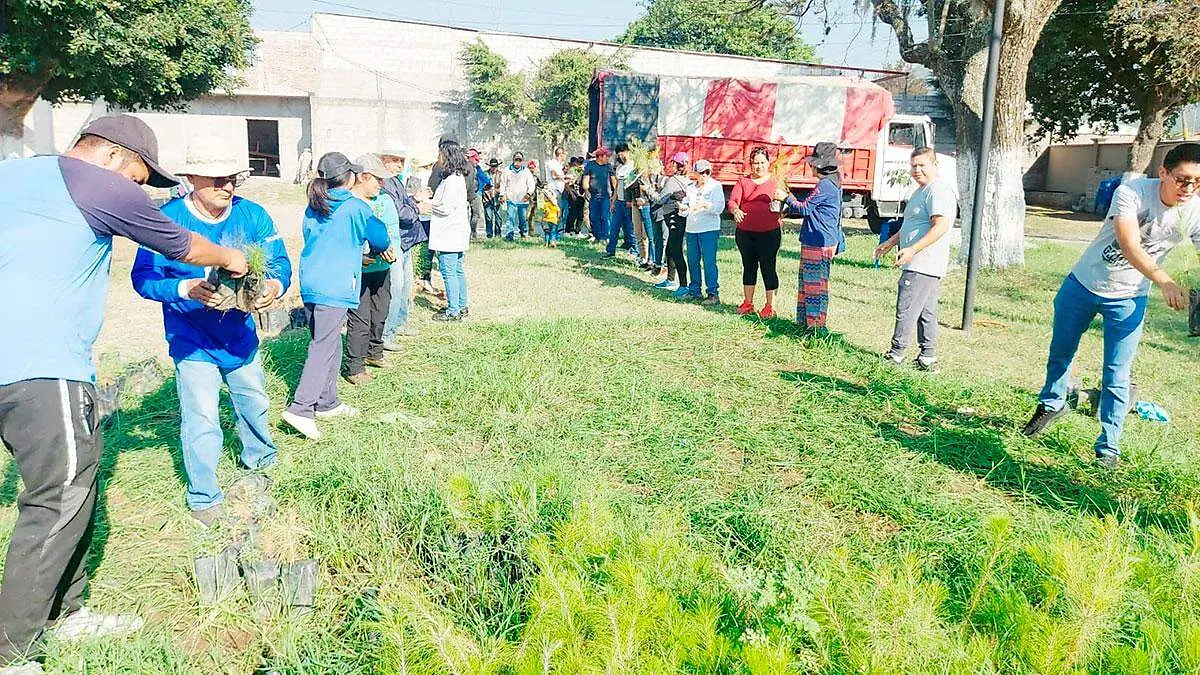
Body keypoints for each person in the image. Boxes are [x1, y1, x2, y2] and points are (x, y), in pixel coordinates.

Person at [0, 114, 248, 668]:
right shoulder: (94, 181)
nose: (136, 190)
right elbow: (179, 244)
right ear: (112, 156)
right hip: (39, 364)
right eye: (139, 177)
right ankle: (13, 649)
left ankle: (67, 613)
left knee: (72, 487)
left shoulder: (17, 176)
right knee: (56, 499)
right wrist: (233, 258)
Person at [131, 136, 291, 528]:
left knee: (253, 400)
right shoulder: (166, 220)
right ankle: (204, 494)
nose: (227, 186)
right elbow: (143, 278)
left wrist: (274, 287)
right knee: (202, 417)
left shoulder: (252, 216)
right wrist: (184, 288)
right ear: (191, 179)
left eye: (232, 178)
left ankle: (261, 464)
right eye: (216, 179)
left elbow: (280, 261)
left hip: (239, 336)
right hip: (191, 340)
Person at [1022, 142, 1200, 469]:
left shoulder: (1195, 211)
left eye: (1198, 182)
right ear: (1163, 172)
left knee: (1117, 373)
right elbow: (1128, 243)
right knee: (1061, 352)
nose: (1190, 188)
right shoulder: (1131, 193)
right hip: (1083, 285)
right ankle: (1051, 404)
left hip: (1129, 298)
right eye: (1183, 179)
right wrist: (1165, 280)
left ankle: (1109, 447)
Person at [282, 152, 391, 441]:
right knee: (322, 345)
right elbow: (381, 238)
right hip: (336, 285)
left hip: (311, 282)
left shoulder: (314, 205)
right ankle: (301, 408)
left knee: (328, 342)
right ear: (351, 177)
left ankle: (327, 402)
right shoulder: (356, 207)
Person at [874, 146, 957, 373]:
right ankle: (928, 358)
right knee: (925, 310)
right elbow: (913, 223)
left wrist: (913, 249)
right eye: (914, 166)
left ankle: (896, 354)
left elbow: (941, 226)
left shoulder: (937, 190)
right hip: (920, 262)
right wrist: (891, 242)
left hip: (923, 262)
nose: (917, 170)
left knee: (907, 307)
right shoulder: (920, 190)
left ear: (935, 166)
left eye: (922, 165)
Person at [777, 142, 845, 333]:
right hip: (822, 239)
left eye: (812, 163)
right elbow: (812, 207)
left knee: (814, 285)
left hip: (817, 241)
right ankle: (807, 323)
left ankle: (815, 327)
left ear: (819, 165)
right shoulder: (833, 183)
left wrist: (785, 198)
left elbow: (805, 208)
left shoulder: (824, 186)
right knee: (812, 282)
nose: (810, 166)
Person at [343, 154, 399, 385]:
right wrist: (357, 256)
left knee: (380, 311)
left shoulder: (384, 201)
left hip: (382, 268)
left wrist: (391, 247)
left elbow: (392, 229)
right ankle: (355, 366)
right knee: (360, 318)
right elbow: (342, 239)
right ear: (363, 177)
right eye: (377, 179)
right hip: (358, 273)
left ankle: (374, 353)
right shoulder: (346, 204)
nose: (381, 184)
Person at [379, 152, 430, 346]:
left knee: (406, 285)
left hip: (406, 240)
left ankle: (399, 323)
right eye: (395, 161)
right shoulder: (384, 184)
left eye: (402, 161)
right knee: (396, 287)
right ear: (384, 161)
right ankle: (386, 334)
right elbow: (401, 212)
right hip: (395, 241)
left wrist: (414, 200)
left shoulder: (396, 181)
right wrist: (417, 208)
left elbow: (405, 204)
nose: (400, 165)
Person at [728, 146, 784, 319]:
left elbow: (789, 202)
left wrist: (782, 204)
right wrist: (735, 210)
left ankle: (770, 306)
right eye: (755, 163)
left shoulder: (776, 181)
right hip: (745, 234)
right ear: (750, 164)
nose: (758, 166)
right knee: (749, 267)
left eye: (762, 162)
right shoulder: (743, 181)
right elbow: (732, 201)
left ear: (768, 163)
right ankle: (748, 303)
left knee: (768, 268)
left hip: (769, 233)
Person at [428, 141, 473, 321]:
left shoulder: (452, 180)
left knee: (449, 272)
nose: (438, 158)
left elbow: (445, 208)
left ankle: (453, 311)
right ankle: (462, 306)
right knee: (458, 271)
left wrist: (427, 203)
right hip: (456, 232)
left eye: (440, 154)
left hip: (449, 233)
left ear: (447, 156)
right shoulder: (456, 177)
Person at [681, 159, 724, 304]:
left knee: (709, 262)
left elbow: (719, 208)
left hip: (709, 229)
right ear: (695, 173)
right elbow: (687, 207)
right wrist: (683, 209)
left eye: (707, 172)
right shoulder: (690, 187)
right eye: (701, 173)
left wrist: (706, 205)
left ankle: (713, 293)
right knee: (692, 261)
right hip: (692, 228)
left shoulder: (716, 186)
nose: (705, 175)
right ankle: (694, 290)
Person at [654, 152, 692, 292]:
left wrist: (648, 190)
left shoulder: (673, 181)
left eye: (673, 163)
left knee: (676, 251)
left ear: (676, 165)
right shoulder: (687, 180)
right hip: (680, 218)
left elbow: (660, 199)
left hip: (674, 219)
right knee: (670, 249)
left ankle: (683, 285)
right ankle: (670, 280)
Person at [407, 157, 437, 295]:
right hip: (427, 217)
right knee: (427, 250)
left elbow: (408, 196)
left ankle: (420, 278)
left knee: (420, 250)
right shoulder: (433, 176)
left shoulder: (413, 177)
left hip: (418, 216)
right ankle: (424, 278)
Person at [606, 143, 640, 259]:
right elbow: (617, 186)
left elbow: (635, 185)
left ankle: (635, 251)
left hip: (629, 202)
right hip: (619, 202)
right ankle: (610, 251)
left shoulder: (633, 166)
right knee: (614, 227)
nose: (620, 156)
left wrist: (631, 201)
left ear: (627, 152)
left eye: (622, 153)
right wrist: (613, 201)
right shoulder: (619, 168)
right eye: (618, 154)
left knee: (630, 228)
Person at [501, 151, 536, 240]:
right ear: (513, 160)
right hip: (511, 198)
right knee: (510, 218)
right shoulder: (507, 170)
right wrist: (502, 195)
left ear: (522, 161)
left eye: (519, 160)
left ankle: (523, 233)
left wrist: (528, 194)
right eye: (516, 159)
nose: (517, 161)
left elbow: (531, 184)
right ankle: (509, 235)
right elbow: (503, 183)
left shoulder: (526, 171)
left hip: (523, 199)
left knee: (522, 219)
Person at [583, 148, 614, 243]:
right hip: (594, 196)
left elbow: (613, 180)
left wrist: (615, 193)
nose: (608, 158)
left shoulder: (609, 166)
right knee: (594, 216)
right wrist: (586, 190)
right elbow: (586, 178)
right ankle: (597, 236)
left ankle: (605, 237)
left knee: (605, 217)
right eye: (607, 156)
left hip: (605, 196)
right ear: (600, 156)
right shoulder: (590, 165)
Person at [546, 146, 568, 234]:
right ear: (561, 154)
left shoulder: (559, 165)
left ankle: (554, 233)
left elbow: (560, 179)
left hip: (558, 191)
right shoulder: (553, 163)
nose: (565, 157)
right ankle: (552, 233)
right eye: (565, 154)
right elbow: (554, 176)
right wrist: (566, 176)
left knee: (558, 213)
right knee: (554, 213)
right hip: (553, 191)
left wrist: (567, 180)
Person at [467, 148, 488, 239]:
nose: (477, 161)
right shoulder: (467, 168)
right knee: (472, 214)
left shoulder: (477, 168)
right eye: (475, 159)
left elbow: (484, 178)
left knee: (475, 214)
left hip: (475, 193)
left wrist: (488, 183)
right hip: (469, 194)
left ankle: (473, 233)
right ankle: (471, 233)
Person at [483, 158, 504, 238]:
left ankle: (498, 235)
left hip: (497, 199)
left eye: (495, 166)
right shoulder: (485, 174)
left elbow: (504, 186)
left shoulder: (501, 174)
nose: (494, 168)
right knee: (489, 218)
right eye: (492, 166)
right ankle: (489, 235)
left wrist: (497, 191)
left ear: (497, 166)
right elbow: (481, 185)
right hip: (487, 199)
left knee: (498, 218)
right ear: (490, 166)